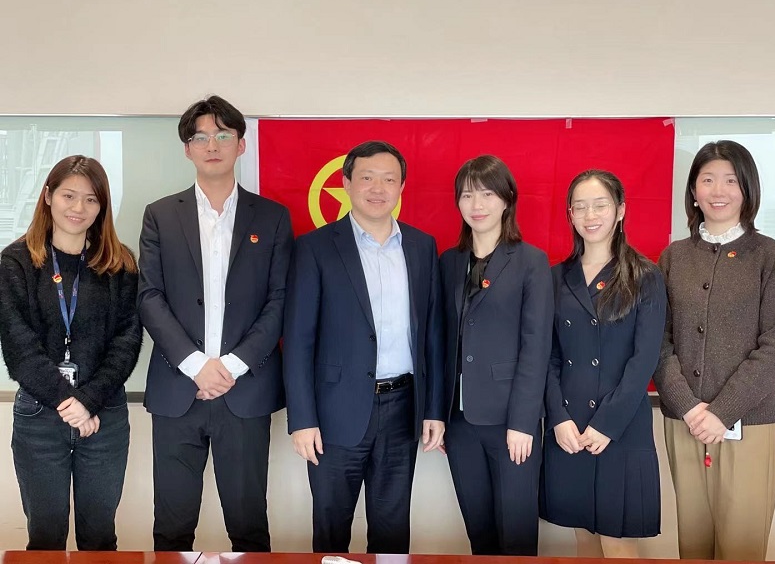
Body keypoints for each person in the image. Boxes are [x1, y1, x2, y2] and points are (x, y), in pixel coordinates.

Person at [138, 95, 293, 551]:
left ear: (241, 145)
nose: (212, 145)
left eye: (223, 135)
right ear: (187, 148)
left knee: (249, 529)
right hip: (177, 391)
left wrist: (230, 366)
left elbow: (279, 301)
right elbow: (149, 296)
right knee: (172, 529)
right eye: (201, 137)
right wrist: (195, 365)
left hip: (244, 392)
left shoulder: (272, 217)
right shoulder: (161, 215)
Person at [283, 140, 445, 554]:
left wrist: (433, 409)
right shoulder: (315, 247)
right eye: (367, 178)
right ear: (346, 183)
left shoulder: (421, 247)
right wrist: (302, 419)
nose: (378, 188)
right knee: (331, 529)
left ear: (402, 187)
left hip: (402, 407)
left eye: (389, 179)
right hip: (334, 412)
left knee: (392, 529)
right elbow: (298, 339)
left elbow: (432, 335)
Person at [654, 140, 775, 561]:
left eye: (731, 180)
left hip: (748, 424)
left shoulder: (770, 256)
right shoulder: (673, 257)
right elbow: (658, 342)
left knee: (742, 548)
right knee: (693, 545)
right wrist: (689, 408)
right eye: (708, 180)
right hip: (684, 423)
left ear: (747, 189)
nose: (719, 191)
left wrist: (721, 412)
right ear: (693, 190)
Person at [0, 155, 141, 550]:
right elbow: (18, 346)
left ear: (102, 206)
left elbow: (127, 340)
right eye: (69, 196)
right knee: (45, 538)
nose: (79, 208)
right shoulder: (15, 262)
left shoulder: (120, 263)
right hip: (40, 417)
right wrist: (70, 403)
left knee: (100, 538)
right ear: (48, 196)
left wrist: (89, 401)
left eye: (91, 199)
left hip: (104, 416)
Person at [541, 169, 666, 558]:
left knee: (617, 543)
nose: (590, 215)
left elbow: (644, 360)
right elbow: (547, 356)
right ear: (570, 214)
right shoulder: (555, 277)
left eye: (600, 205)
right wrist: (558, 418)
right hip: (570, 427)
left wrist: (606, 425)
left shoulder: (645, 276)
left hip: (621, 426)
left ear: (620, 210)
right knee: (584, 539)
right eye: (580, 207)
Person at [439, 155, 553, 555]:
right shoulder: (449, 262)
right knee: (480, 534)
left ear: (507, 199)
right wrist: (437, 414)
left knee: (516, 536)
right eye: (467, 195)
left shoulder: (531, 262)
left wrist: (523, 422)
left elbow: (536, 347)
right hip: (460, 422)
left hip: (511, 423)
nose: (477, 204)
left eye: (487, 194)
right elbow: (440, 342)